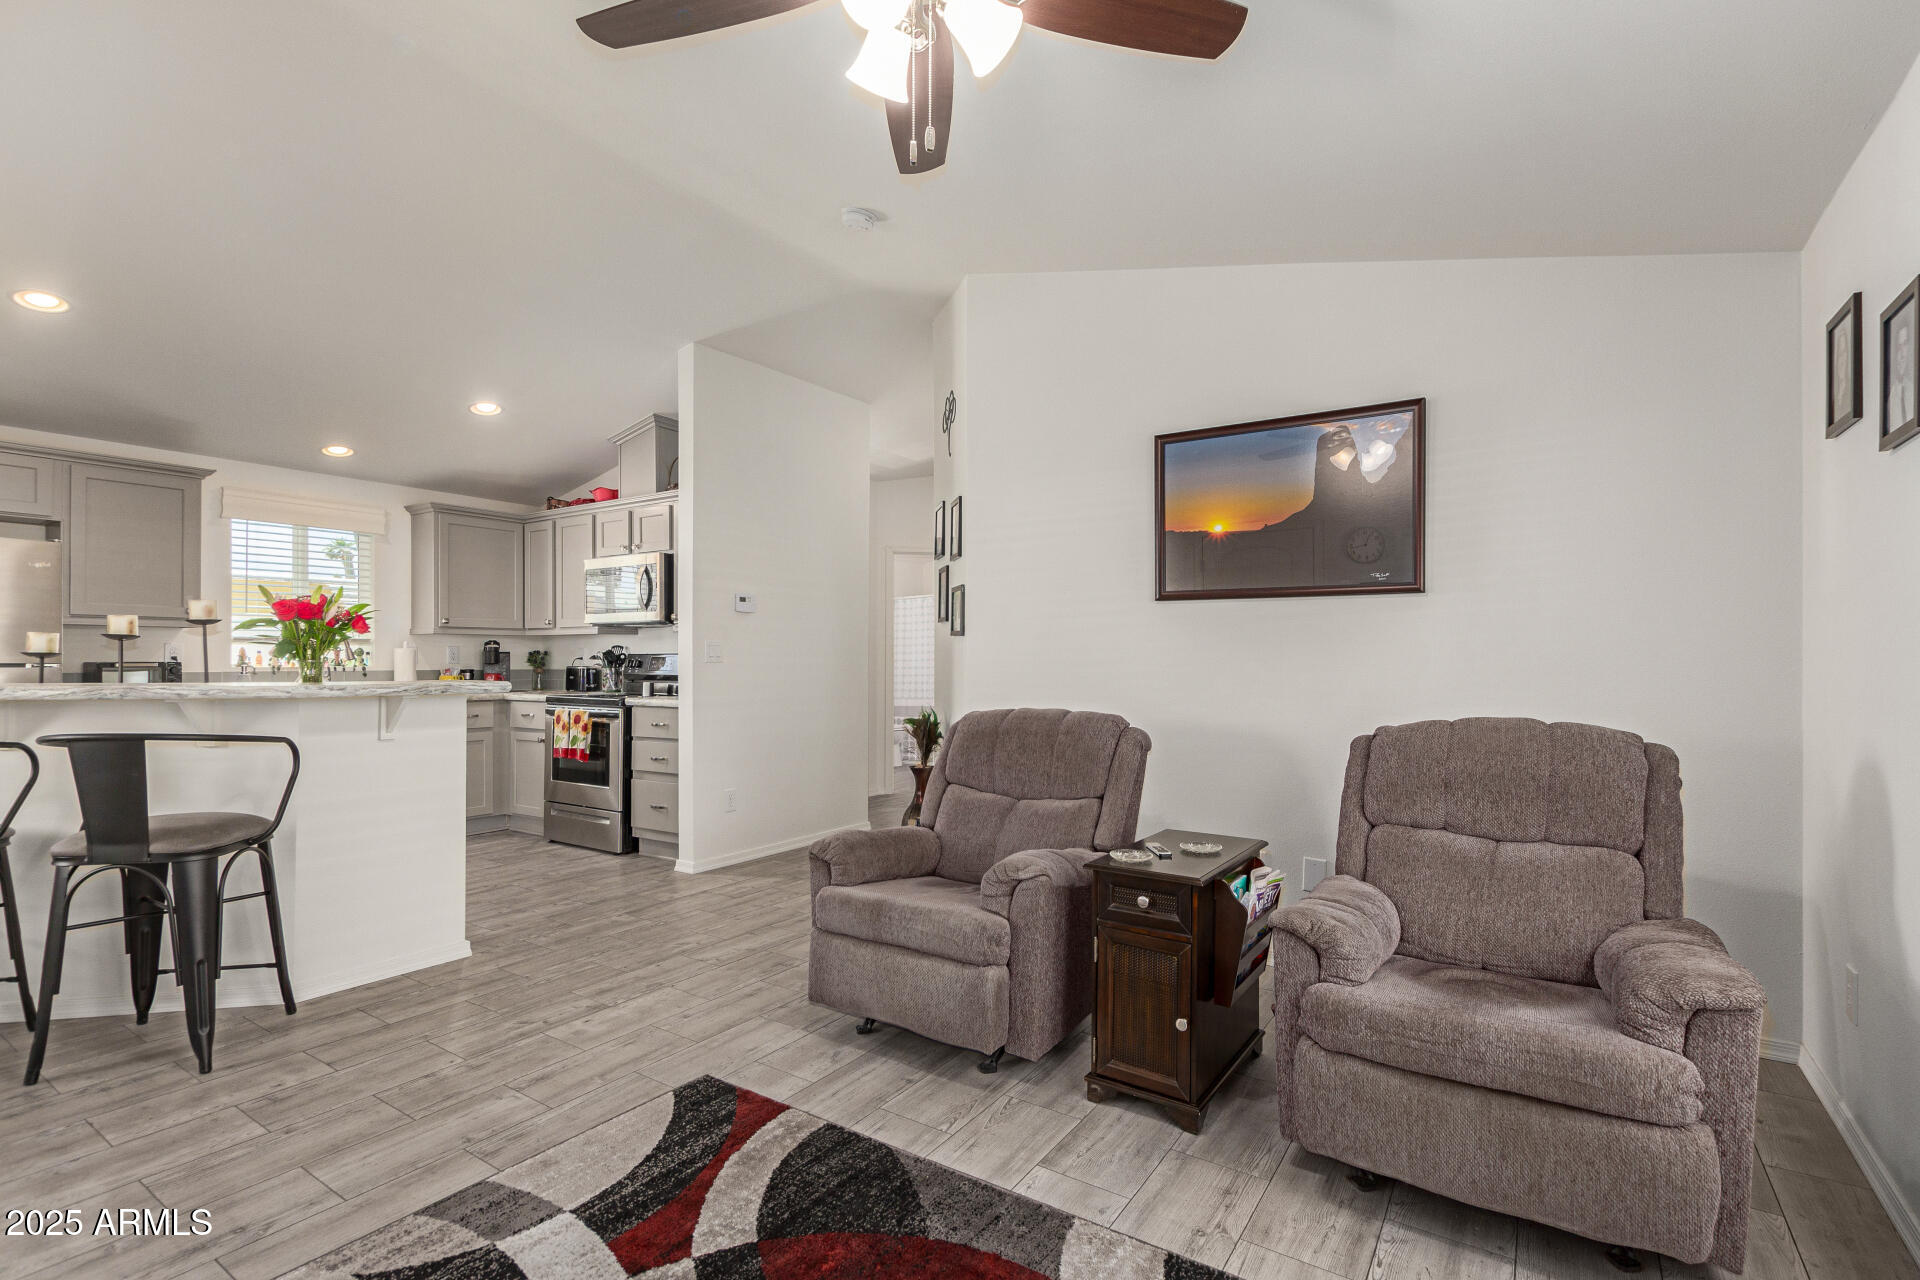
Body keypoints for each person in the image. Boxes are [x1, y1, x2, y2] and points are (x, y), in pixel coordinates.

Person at [1892, 308, 1918, 426]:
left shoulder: (1913, 390)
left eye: (1905, 344)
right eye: (1899, 346)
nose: (1902, 353)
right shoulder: (1890, 400)